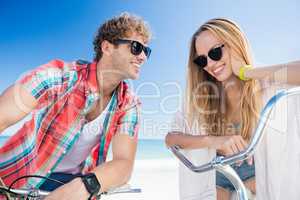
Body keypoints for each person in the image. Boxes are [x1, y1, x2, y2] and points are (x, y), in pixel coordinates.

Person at [0, 12, 152, 200]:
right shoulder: (60, 77)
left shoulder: (129, 103)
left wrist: (88, 185)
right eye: (136, 47)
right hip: (17, 179)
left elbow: (123, 163)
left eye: (147, 51)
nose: (143, 57)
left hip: (72, 183)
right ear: (107, 47)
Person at [165, 18, 300, 200]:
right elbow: (171, 139)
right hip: (217, 186)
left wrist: (247, 72)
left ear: (234, 44)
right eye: (202, 60)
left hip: (258, 184)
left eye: (215, 53)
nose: (210, 65)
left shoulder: (266, 87)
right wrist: (214, 141)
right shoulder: (201, 99)